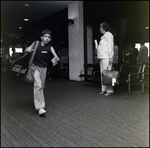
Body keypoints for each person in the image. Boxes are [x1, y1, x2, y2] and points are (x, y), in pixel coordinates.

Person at [25, 29, 60, 116]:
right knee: (38, 85)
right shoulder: (36, 43)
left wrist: (55, 59)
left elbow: (56, 57)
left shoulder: (50, 48)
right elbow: (27, 50)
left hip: (44, 68)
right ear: (41, 37)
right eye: (45, 36)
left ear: (50, 39)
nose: (47, 38)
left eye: (49, 37)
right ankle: (40, 107)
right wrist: (28, 49)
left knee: (42, 86)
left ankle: (40, 103)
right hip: (35, 67)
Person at [95, 22, 114, 96]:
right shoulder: (103, 37)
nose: (99, 29)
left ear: (104, 28)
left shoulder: (109, 35)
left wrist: (111, 56)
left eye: (100, 27)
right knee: (103, 74)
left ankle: (110, 90)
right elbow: (102, 48)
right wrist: (97, 47)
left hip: (106, 57)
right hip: (102, 57)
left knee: (108, 74)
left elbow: (110, 46)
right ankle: (104, 89)